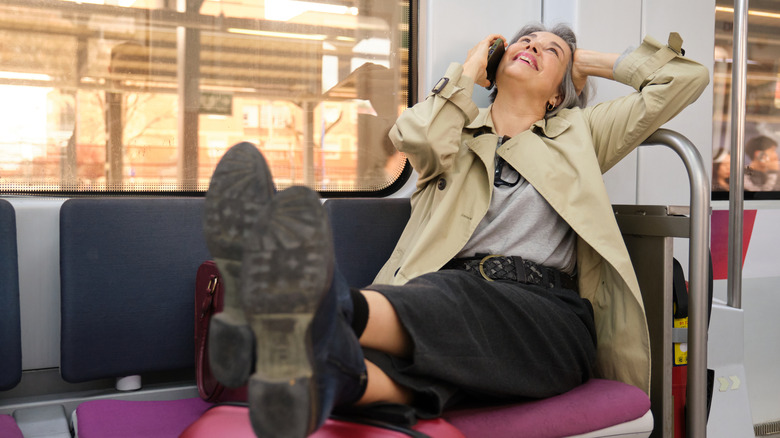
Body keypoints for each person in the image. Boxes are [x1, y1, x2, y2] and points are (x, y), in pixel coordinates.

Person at [203, 22, 709, 438]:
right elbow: (413, 136)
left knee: (448, 299)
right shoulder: (456, 135)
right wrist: (468, 73)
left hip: (550, 321)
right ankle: (328, 379)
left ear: (559, 97)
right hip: (452, 302)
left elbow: (684, 79)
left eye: (548, 50)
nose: (532, 46)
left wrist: (583, 59)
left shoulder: (583, 134)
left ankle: (314, 304)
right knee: (425, 347)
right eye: (524, 40)